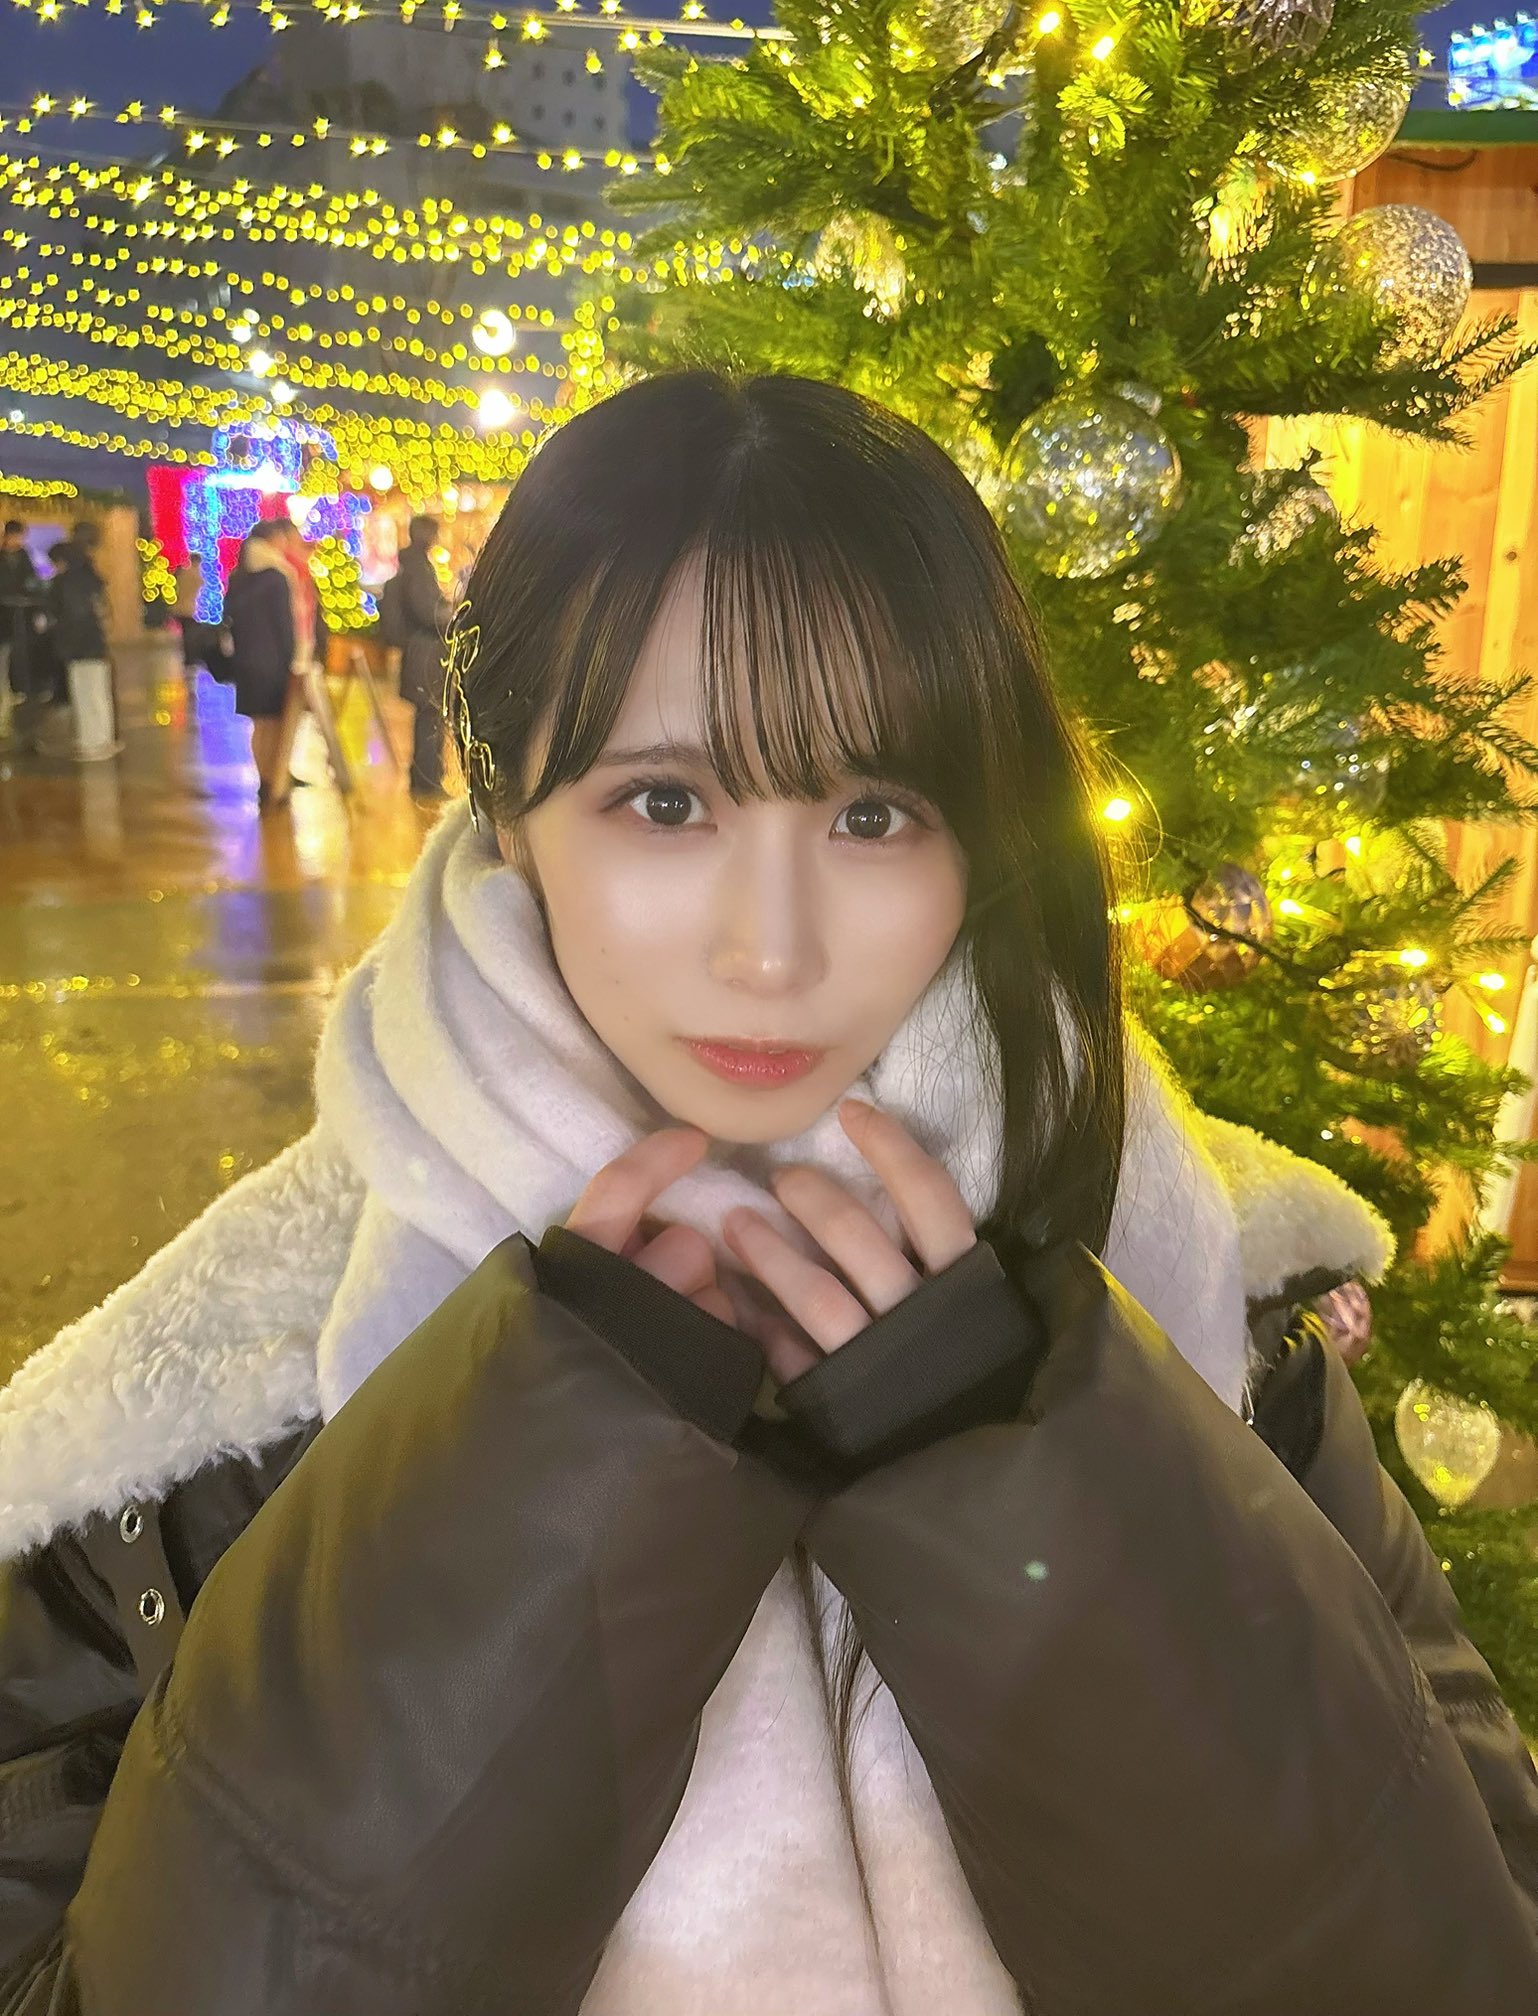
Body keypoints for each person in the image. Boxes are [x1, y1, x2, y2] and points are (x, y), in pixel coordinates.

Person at [2, 372, 1536, 2013]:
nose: (772, 950)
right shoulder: (198, 1413)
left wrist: (1043, 1496)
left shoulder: (1221, 1303)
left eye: (872, 812)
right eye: (665, 802)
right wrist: (501, 1529)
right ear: (508, 804)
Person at [222, 521, 309, 807]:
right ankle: (274, 780)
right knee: (274, 724)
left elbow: (229, 618)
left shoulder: (239, 576)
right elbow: (284, 625)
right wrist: (293, 657)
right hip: (273, 662)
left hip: (246, 660)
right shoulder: (278, 576)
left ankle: (264, 780)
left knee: (258, 724)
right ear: (271, 541)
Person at [380, 511, 451, 798]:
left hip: (418, 651)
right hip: (426, 653)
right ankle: (427, 780)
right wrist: (450, 613)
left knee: (428, 716)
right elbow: (426, 611)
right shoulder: (419, 569)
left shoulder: (410, 565)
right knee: (430, 716)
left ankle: (424, 777)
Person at [46, 534, 118, 761]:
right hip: (95, 644)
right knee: (98, 693)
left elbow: (67, 616)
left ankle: (91, 742)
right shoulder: (90, 578)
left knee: (85, 694)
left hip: (78, 647)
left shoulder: (66, 583)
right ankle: (104, 739)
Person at [0, 518, 44, 708]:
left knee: (25, 649)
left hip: (23, 610)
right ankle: (12, 688)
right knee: (8, 652)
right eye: (18, 536)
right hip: (5, 612)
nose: (20, 540)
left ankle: (25, 687)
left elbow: (31, 578)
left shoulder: (24, 555)